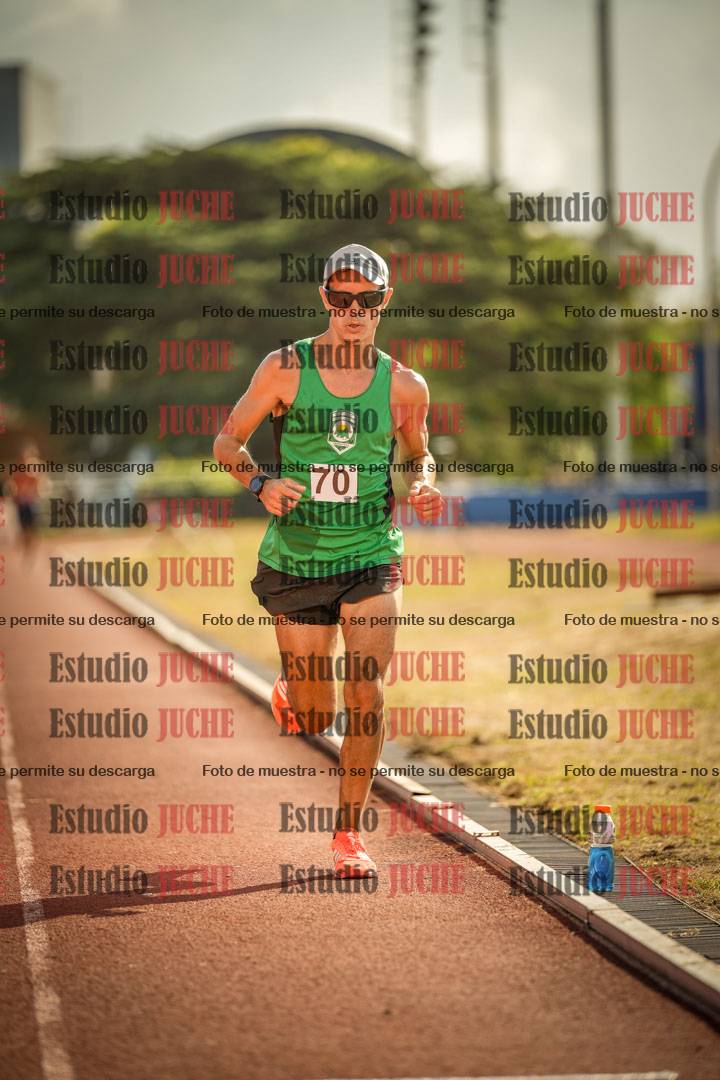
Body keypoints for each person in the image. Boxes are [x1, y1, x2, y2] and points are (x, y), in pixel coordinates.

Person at [213, 244, 442, 877]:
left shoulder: (405, 385)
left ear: (384, 302)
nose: (354, 310)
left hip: (371, 551)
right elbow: (227, 440)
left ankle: (349, 836)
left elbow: (418, 452)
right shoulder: (284, 368)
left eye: (366, 299)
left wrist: (424, 481)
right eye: (342, 299)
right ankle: (293, 686)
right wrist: (260, 483)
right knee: (316, 715)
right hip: (298, 556)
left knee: (366, 693)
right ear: (325, 300)